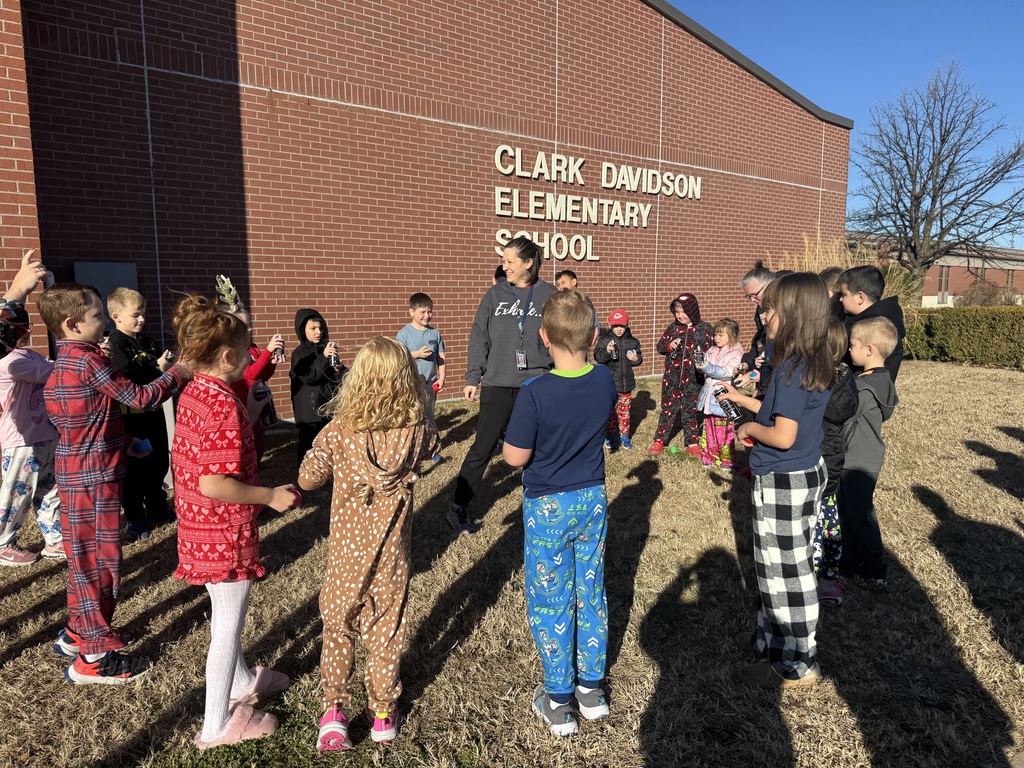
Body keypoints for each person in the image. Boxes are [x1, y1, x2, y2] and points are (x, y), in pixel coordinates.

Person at [38, 283, 186, 683]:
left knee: (85, 561)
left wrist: (122, 441)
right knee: (100, 565)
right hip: (93, 480)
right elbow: (139, 397)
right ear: (73, 324)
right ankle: (94, 657)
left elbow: (81, 421)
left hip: (81, 473)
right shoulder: (88, 363)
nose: (105, 322)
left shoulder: (68, 361)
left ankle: (76, 633)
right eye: (98, 315)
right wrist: (179, 372)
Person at [170, 295, 300, 750]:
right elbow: (214, 482)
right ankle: (215, 725)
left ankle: (244, 680)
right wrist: (270, 496)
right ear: (227, 356)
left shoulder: (196, 391)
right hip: (222, 530)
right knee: (228, 623)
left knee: (224, 612)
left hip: (197, 526)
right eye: (248, 349)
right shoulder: (223, 404)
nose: (252, 355)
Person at [298, 337, 438, 751]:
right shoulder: (418, 430)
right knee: (386, 635)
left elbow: (307, 479)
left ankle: (335, 713)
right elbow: (432, 449)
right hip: (392, 559)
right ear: (405, 380)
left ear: (356, 381)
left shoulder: (339, 432)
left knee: (338, 630)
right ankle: (381, 715)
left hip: (345, 557)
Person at [717, 272, 841, 689]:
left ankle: (795, 665)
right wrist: (743, 402)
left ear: (792, 316)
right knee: (781, 563)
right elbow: (781, 412)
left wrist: (749, 432)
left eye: (769, 307)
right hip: (804, 473)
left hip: (783, 479)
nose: (762, 313)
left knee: (785, 573)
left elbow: (781, 434)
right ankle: (769, 640)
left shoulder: (789, 368)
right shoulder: (809, 359)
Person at [502, 290, 616, 736]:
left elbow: (514, 457)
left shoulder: (534, 392)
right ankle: (591, 689)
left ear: (543, 336)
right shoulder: (605, 379)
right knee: (590, 589)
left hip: (548, 505)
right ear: (594, 334)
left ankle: (558, 698)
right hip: (591, 499)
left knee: (551, 598)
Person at [449, 236, 555, 533]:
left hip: (536, 383)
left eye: (510, 261)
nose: (504, 266)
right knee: (483, 447)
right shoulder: (495, 295)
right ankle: (459, 507)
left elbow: (561, 337)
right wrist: (474, 376)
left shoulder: (549, 295)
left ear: (528, 263)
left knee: (537, 449)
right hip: (497, 383)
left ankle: (538, 507)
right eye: (504, 260)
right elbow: (479, 336)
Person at [106, 287, 174, 540]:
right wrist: (157, 367)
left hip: (153, 412)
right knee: (135, 470)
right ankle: (135, 518)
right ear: (116, 316)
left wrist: (166, 367)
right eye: (135, 315)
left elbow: (161, 372)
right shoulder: (115, 344)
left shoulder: (147, 341)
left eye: (143, 314)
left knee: (158, 463)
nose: (141, 319)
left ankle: (157, 508)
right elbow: (125, 378)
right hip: (130, 417)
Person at [838, 316, 899, 589]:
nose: (849, 350)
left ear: (869, 350)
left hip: (859, 460)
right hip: (853, 457)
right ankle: (850, 561)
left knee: (861, 515)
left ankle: (875, 567)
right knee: (847, 511)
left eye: (852, 345)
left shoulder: (865, 387)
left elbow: (842, 414)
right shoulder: (878, 380)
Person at [813, 268, 858, 607]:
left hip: (817, 462)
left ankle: (814, 576)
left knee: (813, 523)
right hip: (836, 459)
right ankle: (830, 576)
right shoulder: (847, 380)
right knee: (831, 523)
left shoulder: (817, 381)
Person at [0, 320, 63, 565]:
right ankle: (3, 543)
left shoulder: (31, 355)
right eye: (18, 327)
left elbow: (51, 365)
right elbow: (54, 371)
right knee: (17, 493)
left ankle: (55, 539)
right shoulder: (9, 361)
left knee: (51, 490)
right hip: (21, 440)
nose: (26, 329)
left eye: (25, 325)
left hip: (47, 434)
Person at [649, 293, 713, 456]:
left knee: (690, 410)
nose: (679, 316)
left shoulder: (705, 329)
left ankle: (692, 442)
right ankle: (659, 440)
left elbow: (713, 350)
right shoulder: (673, 328)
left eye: (683, 312)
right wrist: (669, 345)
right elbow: (660, 347)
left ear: (692, 311)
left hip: (694, 379)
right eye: (677, 312)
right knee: (668, 409)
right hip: (672, 377)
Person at [290, 309, 345, 466]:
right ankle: (305, 474)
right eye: (313, 329)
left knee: (327, 442)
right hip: (309, 411)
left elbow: (336, 379)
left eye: (320, 328)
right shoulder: (299, 354)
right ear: (302, 330)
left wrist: (339, 369)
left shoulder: (326, 350)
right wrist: (324, 358)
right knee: (308, 444)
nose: (318, 332)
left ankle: (325, 472)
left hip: (327, 406)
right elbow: (309, 377)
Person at [396, 292, 446, 461]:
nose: (427, 316)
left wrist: (442, 377)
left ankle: (432, 449)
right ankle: (412, 448)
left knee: (429, 414)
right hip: (412, 382)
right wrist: (416, 354)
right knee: (412, 416)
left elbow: (441, 357)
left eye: (429, 312)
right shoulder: (404, 334)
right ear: (411, 312)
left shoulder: (435, 334)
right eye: (422, 312)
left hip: (430, 382)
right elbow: (399, 358)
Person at [837, 265, 905, 381]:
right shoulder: (880, 320)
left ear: (860, 297)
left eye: (844, 295)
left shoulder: (875, 330)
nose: (840, 299)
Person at [694, 318, 744, 468]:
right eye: (715, 335)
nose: (716, 338)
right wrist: (700, 364)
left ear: (732, 335)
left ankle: (726, 459)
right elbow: (703, 368)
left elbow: (725, 372)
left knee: (725, 430)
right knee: (709, 428)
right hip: (710, 396)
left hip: (725, 398)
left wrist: (706, 366)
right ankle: (709, 455)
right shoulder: (711, 350)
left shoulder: (736, 353)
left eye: (721, 335)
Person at [593, 309, 642, 450]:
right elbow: (598, 358)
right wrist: (607, 351)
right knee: (610, 412)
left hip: (626, 385)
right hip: (610, 385)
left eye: (621, 326)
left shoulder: (633, 342)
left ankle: (624, 435)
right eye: (615, 326)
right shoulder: (605, 341)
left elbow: (638, 359)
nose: (619, 329)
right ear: (610, 325)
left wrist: (636, 359)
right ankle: (608, 435)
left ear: (627, 324)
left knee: (624, 412)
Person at [737, 261, 775, 374]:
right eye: (749, 296)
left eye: (754, 295)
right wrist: (749, 362)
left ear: (769, 285)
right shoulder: (760, 309)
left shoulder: (788, 308)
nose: (753, 300)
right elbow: (759, 339)